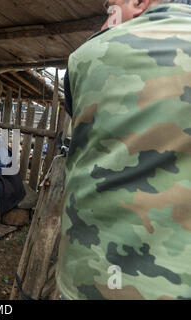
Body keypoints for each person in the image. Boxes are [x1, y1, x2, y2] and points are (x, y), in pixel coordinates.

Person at [57, 0, 191, 299]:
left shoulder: (87, 55)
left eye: (110, 7)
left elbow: (74, 122)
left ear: (139, 2)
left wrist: (107, 32)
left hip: (87, 276)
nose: (109, 17)